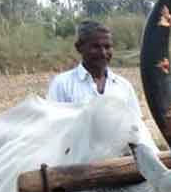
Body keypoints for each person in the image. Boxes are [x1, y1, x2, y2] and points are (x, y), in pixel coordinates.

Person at [47, 20, 156, 150]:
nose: (103, 53)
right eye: (96, 47)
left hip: (121, 162)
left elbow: (137, 129)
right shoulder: (62, 84)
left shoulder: (123, 86)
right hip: (76, 164)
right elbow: (53, 129)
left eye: (107, 47)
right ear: (79, 47)